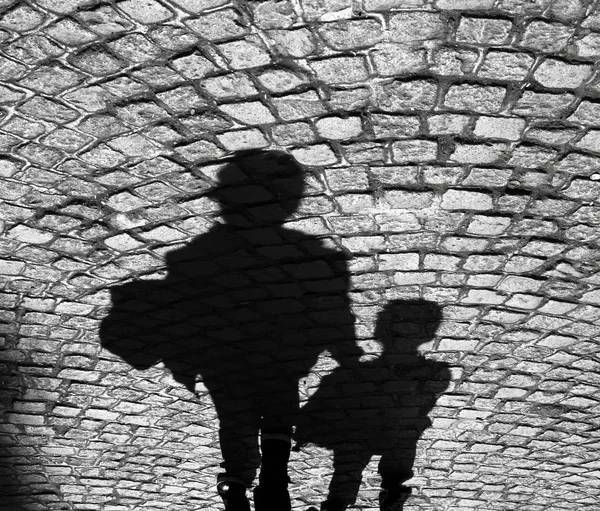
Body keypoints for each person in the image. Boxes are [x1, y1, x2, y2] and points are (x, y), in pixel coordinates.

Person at [99, 150, 360, 511]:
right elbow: (333, 309)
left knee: (234, 413)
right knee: (278, 402)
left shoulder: (200, 253)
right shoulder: (310, 253)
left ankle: (238, 484)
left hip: (221, 352)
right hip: (280, 349)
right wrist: (349, 357)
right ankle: (266, 478)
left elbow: (184, 305)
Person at [295, 299, 451, 511]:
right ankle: (386, 496)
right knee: (387, 447)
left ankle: (348, 503)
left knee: (352, 462)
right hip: (385, 435)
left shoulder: (350, 375)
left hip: (366, 433)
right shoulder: (435, 373)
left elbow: (321, 404)